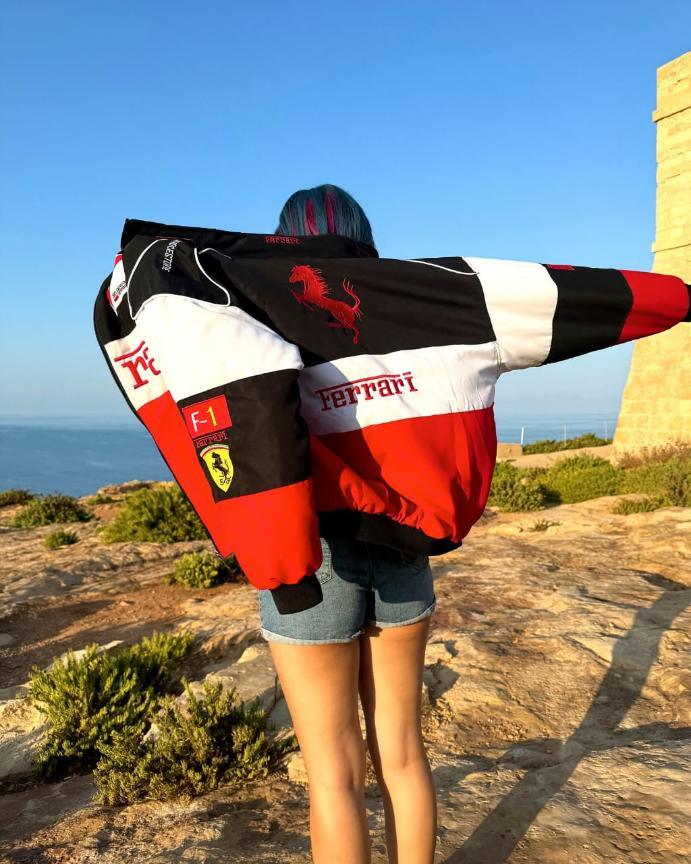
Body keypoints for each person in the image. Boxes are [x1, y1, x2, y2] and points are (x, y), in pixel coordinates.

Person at [258, 183, 438, 864]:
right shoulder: (405, 325)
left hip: (309, 557)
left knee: (332, 777)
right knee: (402, 756)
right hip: (401, 546)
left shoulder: (263, 326)